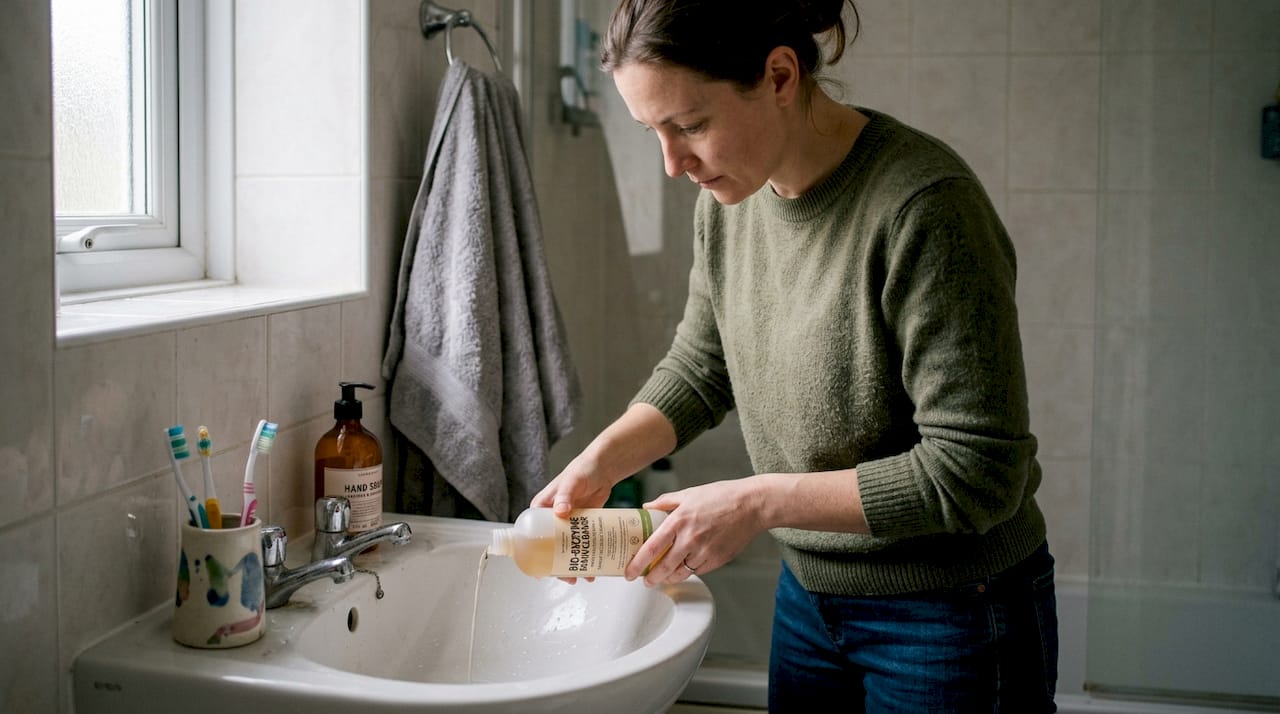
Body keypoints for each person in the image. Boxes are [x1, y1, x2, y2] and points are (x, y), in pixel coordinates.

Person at [531, 0, 1058, 711]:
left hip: (952, 611)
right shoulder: (729, 201)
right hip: (811, 596)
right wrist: (603, 459)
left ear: (780, 75)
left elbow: (978, 473)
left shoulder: (924, 208)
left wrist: (757, 501)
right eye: (652, 132)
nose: (672, 163)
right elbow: (702, 363)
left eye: (689, 126)